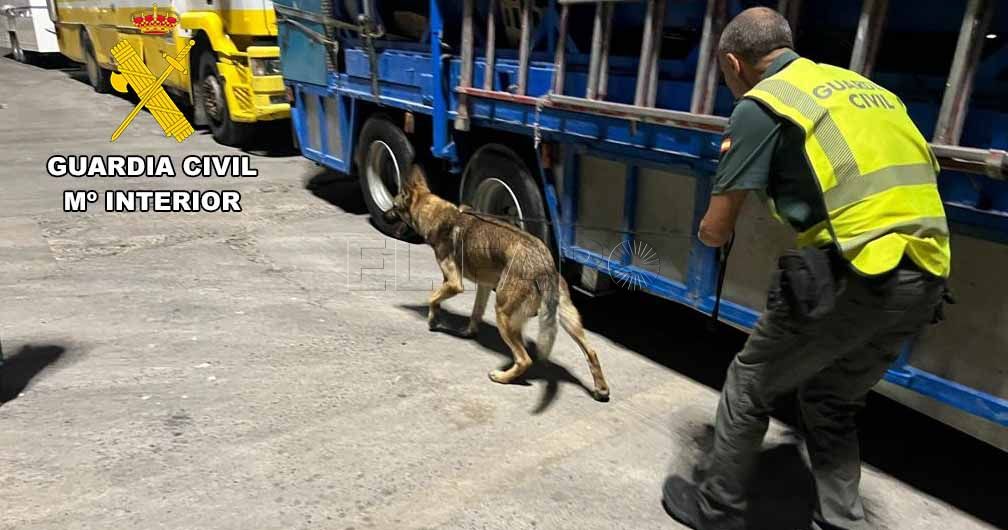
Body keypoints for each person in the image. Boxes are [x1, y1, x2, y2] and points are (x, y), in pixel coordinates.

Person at [661, 7, 951, 530]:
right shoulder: (859, 86)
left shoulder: (762, 105)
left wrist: (702, 231)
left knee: (749, 383)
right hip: (927, 271)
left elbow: (716, 229)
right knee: (829, 396)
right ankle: (844, 520)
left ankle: (717, 509)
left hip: (858, 271)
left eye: (725, 74)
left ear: (734, 62)